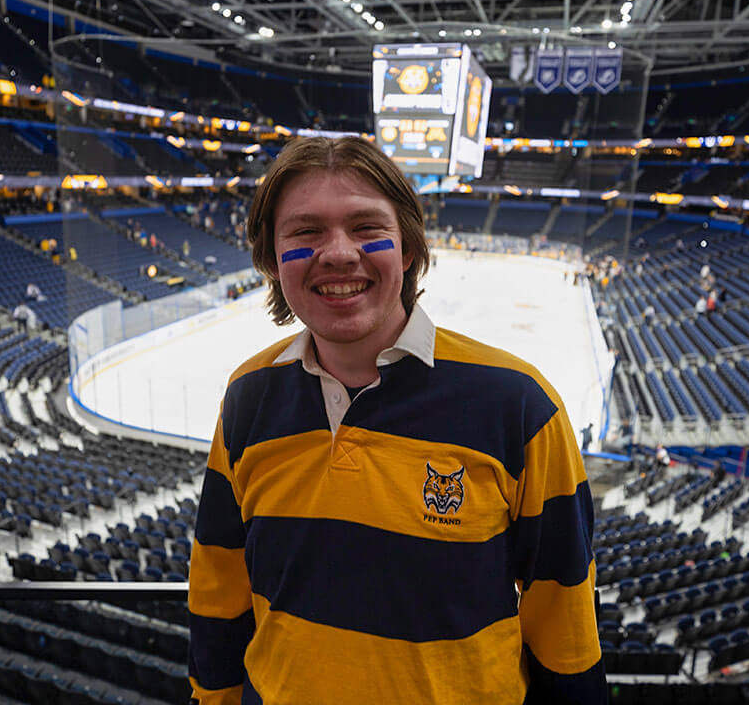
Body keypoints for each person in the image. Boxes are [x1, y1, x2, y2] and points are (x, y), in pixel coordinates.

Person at [187, 137, 604, 705]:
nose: (337, 253)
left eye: (366, 227)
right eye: (304, 233)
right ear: (270, 258)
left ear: (406, 248)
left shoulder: (521, 406)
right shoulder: (246, 398)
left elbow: (566, 635)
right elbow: (219, 601)